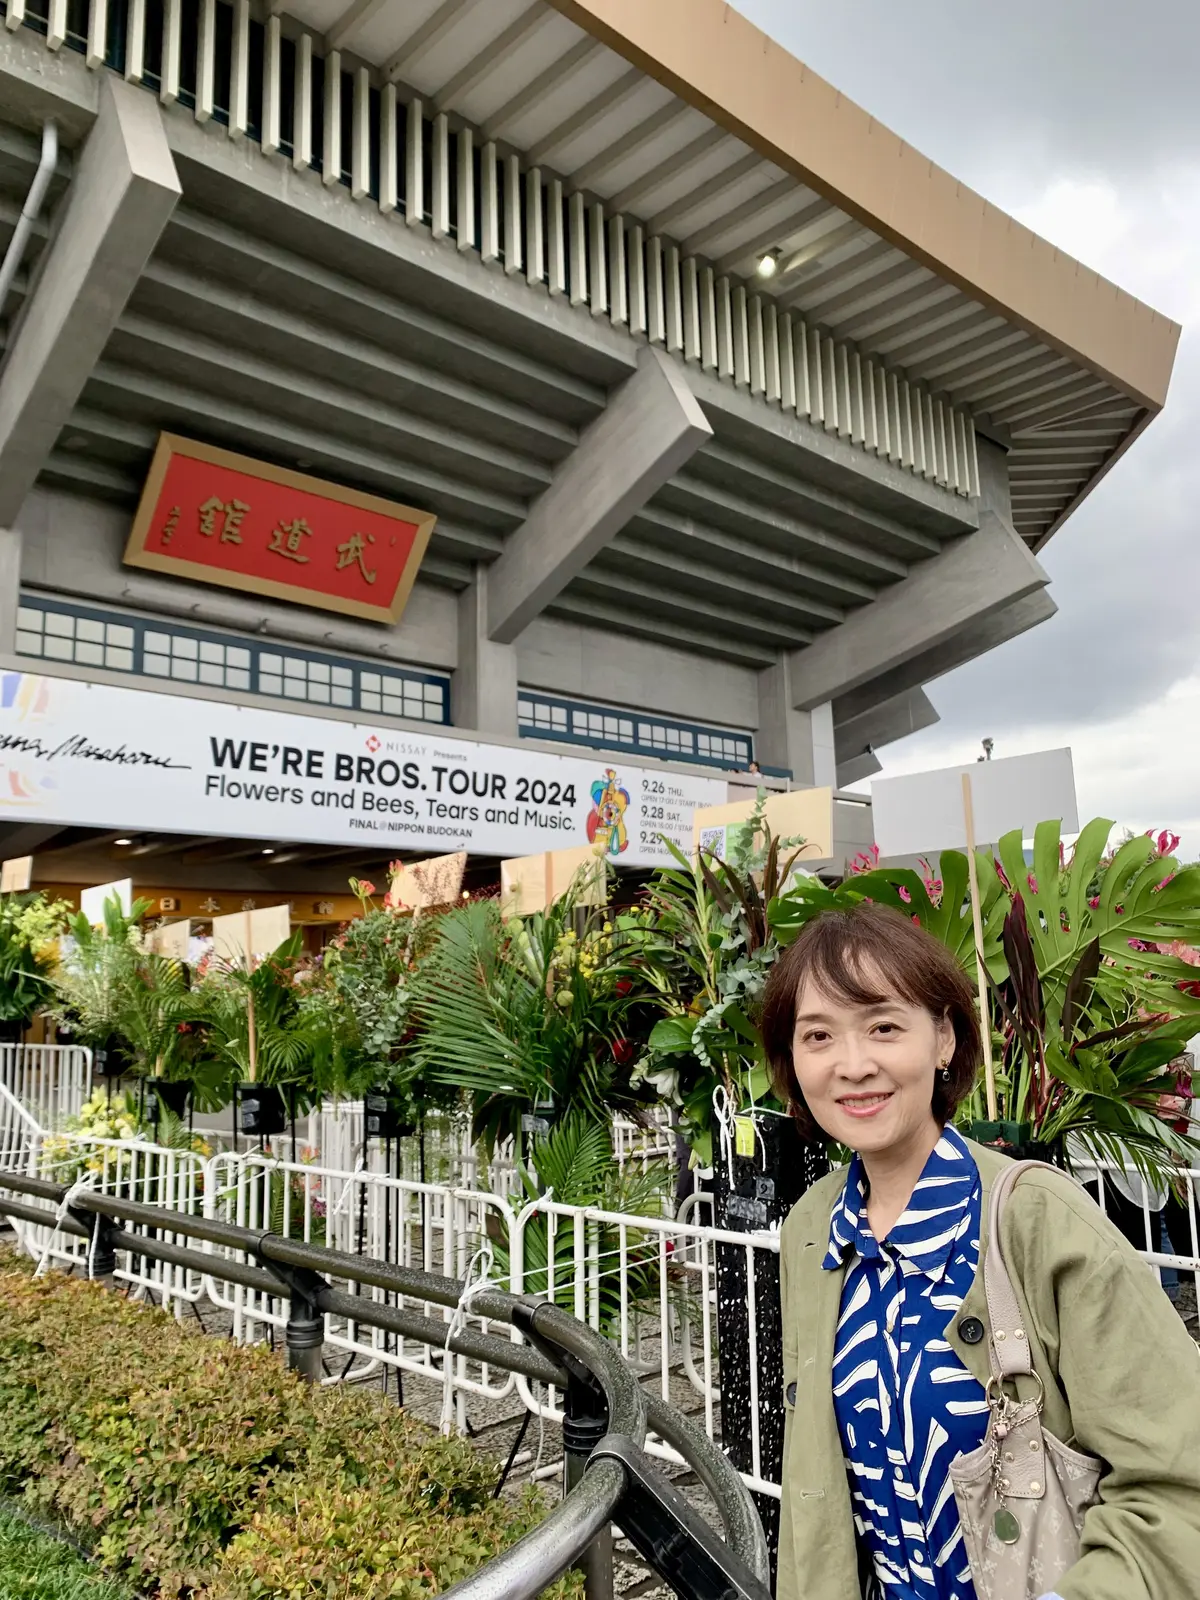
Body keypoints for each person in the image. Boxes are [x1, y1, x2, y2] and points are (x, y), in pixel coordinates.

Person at [763, 901, 1200, 1600]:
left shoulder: (1037, 1222)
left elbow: (1177, 1480)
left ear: (943, 1038)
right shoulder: (815, 1230)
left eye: (883, 1026)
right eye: (818, 1036)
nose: (852, 1064)